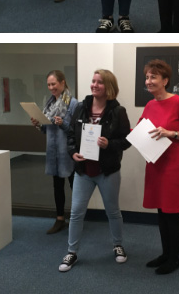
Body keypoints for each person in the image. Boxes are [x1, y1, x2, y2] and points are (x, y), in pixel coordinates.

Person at [59, 70, 132, 272]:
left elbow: (127, 140)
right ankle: (71, 252)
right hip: (83, 170)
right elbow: (71, 136)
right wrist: (73, 153)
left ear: (108, 86)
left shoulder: (118, 111)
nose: (94, 85)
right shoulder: (81, 108)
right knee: (76, 213)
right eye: (93, 81)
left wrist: (109, 143)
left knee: (113, 211)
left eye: (99, 82)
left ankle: (118, 245)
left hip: (107, 170)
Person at [139, 59, 179, 274]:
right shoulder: (150, 104)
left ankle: (174, 259)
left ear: (165, 80)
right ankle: (165, 253)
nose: (149, 81)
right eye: (147, 77)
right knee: (161, 213)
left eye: (153, 77)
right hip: (155, 165)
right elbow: (139, 130)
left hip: (174, 167)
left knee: (172, 214)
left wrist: (171, 133)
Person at [30, 70, 78, 234]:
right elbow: (45, 130)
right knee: (57, 186)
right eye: (49, 85)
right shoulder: (49, 103)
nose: (51, 88)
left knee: (74, 186)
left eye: (54, 84)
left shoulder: (73, 103)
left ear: (62, 83)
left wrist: (63, 124)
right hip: (53, 150)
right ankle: (60, 219)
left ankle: (76, 219)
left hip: (68, 151)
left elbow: (76, 130)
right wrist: (38, 123)